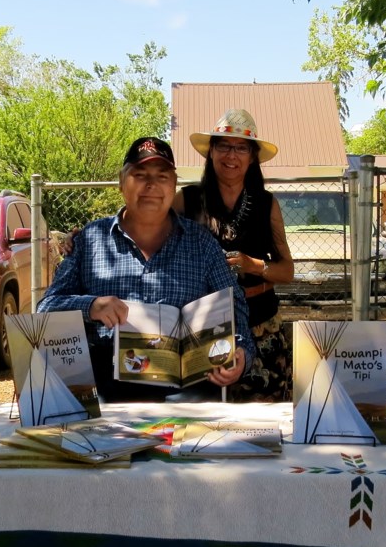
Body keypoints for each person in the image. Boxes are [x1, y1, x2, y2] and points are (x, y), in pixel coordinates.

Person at [36, 136, 257, 403]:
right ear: (121, 182)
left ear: (174, 184)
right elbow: (46, 308)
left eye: (162, 176)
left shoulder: (202, 245)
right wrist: (91, 305)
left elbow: (235, 306)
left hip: (187, 392)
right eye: (140, 175)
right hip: (108, 391)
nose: (151, 185)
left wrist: (242, 351)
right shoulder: (89, 241)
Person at [178, 108, 295, 403]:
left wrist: (253, 265)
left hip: (261, 324)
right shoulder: (187, 200)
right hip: (201, 329)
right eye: (224, 146)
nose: (232, 155)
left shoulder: (267, 204)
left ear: (252, 156)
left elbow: (288, 271)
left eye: (241, 148)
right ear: (211, 152)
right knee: (204, 425)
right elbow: (146, 226)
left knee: (262, 424)